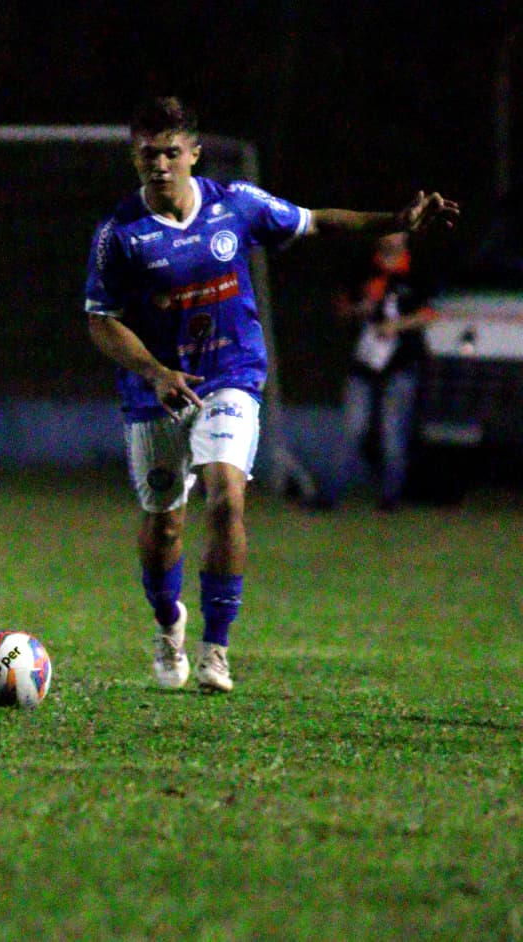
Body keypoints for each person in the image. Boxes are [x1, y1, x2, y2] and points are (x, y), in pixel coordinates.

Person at [84, 96, 458, 694]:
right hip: (155, 390)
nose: (160, 165)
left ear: (194, 155)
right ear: (135, 157)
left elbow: (316, 220)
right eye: (148, 154)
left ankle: (216, 650)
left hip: (231, 372)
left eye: (171, 153)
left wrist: (395, 219)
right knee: (164, 525)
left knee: (227, 497)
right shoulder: (119, 235)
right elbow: (101, 320)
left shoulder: (235, 204)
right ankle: (168, 620)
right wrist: (154, 370)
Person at [314, 232, 440, 511]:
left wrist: (397, 326)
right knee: (352, 429)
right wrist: (359, 310)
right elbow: (342, 308)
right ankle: (329, 495)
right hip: (364, 362)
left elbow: (429, 313)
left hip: (401, 363)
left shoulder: (416, 272)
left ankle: (390, 498)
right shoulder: (363, 270)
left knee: (392, 431)